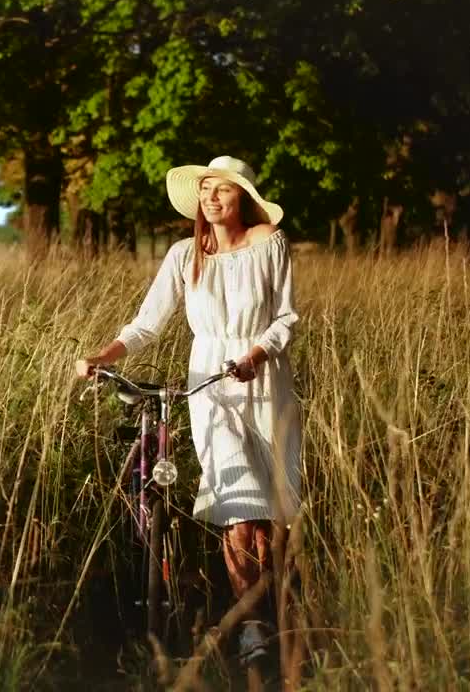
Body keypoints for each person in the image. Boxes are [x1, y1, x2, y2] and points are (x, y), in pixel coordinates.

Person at [73, 155, 303, 663]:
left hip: (266, 380)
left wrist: (256, 354)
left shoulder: (270, 244)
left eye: (221, 190)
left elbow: (287, 317)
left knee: (272, 520)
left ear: (241, 196)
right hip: (210, 384)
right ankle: (251, 631)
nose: (211, 198)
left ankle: (275, 613)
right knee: (237, 507)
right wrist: (101, 357)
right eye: (205, 190)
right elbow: (146, 324)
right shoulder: (184, 255)